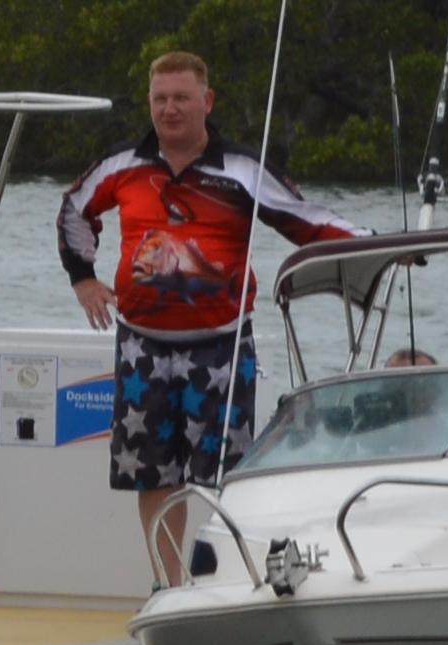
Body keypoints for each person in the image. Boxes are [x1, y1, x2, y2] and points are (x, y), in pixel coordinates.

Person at [59, 44, 349, 585]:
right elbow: (74, 211)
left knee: (225, 474)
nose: (170, 109)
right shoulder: (122, 165)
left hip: (220, 345)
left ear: (206, 101)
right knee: (154, 475)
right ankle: (169, 586)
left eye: (182, 98)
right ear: (149, 102)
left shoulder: (240, 168)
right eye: (160, 98)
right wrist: (83, 279)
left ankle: (234, 579)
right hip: (140, 345)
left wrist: (377, 245)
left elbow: (308, 221)